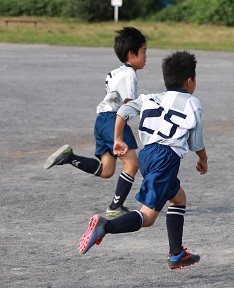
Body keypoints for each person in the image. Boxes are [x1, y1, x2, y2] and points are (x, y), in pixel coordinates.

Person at [78, 51, 208, 271]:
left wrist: (118, 138)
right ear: (189, 81)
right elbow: (196, 141)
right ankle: (105, 227)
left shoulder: (150, 98)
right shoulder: (192, 103)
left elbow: (123, 111)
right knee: (147, 217)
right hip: (165, 158)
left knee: (178, 198)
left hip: (147, 155)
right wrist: (203, 160)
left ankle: (177, 253)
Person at [44, 27, 147, 217]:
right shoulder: (129, 75)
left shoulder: (115, 72)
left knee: (106, 170)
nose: (146, 56)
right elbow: (128, 105)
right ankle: (115, 207)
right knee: (132, 165)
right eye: (143, 51)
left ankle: (69, 158)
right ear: (131, 54)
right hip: (113, 120)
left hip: (101, 121)